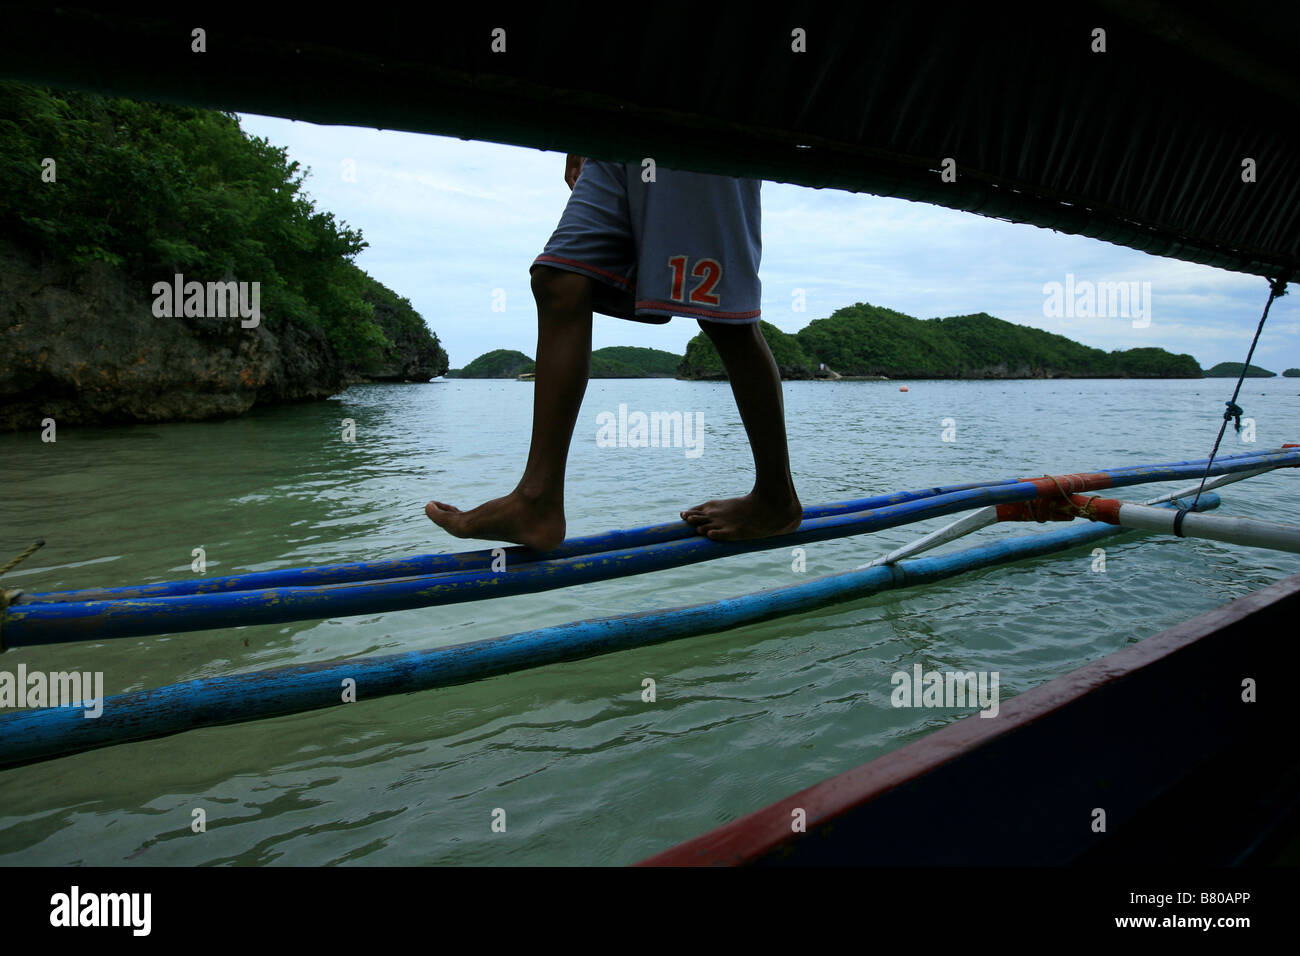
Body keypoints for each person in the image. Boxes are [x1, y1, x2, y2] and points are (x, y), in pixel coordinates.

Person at [425, 154, 801, 551]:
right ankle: (537, 501)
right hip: (614, 130)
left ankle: (776, 498)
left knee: (724, 314)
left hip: (699, 113)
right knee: (558, 278)